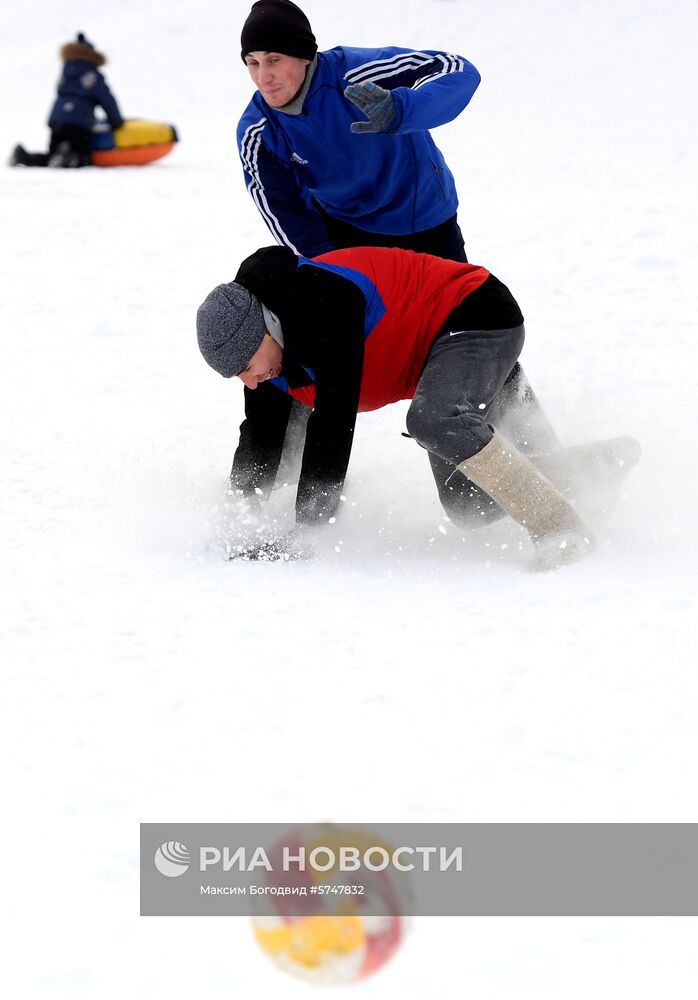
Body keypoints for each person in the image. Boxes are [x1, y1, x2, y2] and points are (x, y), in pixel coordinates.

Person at [196, 245, 640, 571]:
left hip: (475, 318)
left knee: (433, 420)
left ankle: (561, 527)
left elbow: (333, 423)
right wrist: (237, 516)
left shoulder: (320, 303)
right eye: (240, 376)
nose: (250, 381)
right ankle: (594, 467)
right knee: (467, 505)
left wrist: (310, 531)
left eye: (249, 367)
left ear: (267, 329)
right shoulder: (268, 357)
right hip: (441, 361)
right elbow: (262, 436)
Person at [237, 0, 479, 261]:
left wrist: (400, 110)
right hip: (347, 231)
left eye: (274, 60)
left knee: (457, 301)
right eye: (253, 63)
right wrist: (326, 265)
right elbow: (285, 210)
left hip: (423, 216)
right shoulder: (260, 130)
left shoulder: (358, 73)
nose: (263, 78)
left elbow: (456, 68)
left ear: (304, 56)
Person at [10, 32, 124, 169]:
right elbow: (107, 100)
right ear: (92, 56)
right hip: (79, 124)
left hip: (58, 121)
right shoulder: (93, 75)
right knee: (84, 157)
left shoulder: (66, 72)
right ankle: (69, 155)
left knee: (51, 156)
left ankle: (24, 157)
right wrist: (116, 122)